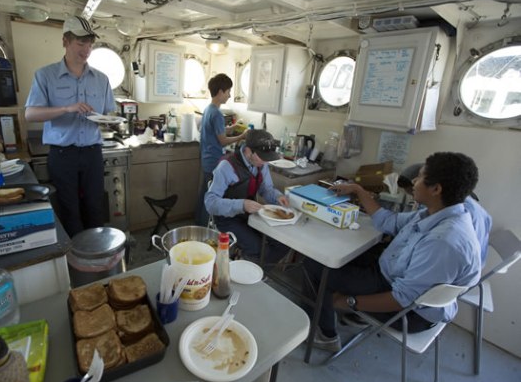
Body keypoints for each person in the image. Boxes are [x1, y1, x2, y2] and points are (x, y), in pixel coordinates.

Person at [304, 152, 482, 352]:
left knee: (315, 265)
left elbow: (401, 299)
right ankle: (327, 303)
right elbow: (389, 221)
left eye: (420, 177)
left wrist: (348, 302)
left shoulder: (444, 242)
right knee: (334, 253)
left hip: (410, 313)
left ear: (436, 189)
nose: (414, 181)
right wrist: (358, 190)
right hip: (391, 272)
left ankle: (326, 334)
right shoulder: (435, 213)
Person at [25, 16, 116, 238]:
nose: (86, 50)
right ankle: (76, 261)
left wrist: (105, 119)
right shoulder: (45, 75)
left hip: (93, 152)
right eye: (80, 43)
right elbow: (30, 114)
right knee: (69, 209)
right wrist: (66, 108)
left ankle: (97, 258)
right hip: (62, 154)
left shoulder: (101, 79)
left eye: (90, 44)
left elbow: (109, 114)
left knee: (95, 207)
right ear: (65, 41)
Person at [205, 129, 290, 263]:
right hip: (227, 219)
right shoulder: (226, 167)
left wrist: (277, 197)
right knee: (259, 249)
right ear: (249, 151)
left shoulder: (261, 164)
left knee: (284, 243)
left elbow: (266, 189)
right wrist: (241, 205)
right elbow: (210, 203)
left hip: (250, 215)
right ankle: (249, 268)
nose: (265, 162)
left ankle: (257, 271)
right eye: (262, 157)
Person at [398, 162, 492, 268]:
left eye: (414, 193)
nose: (415, 199)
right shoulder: (461, 199)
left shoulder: (452, 210)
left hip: (453, 268)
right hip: (468, 262)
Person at [195, 73, 247, 226]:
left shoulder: (208, 109)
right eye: (228, 91)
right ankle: (205, 227)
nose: (229, 95)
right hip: (214, 161)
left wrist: (232, 128)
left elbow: (217, 132)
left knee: (205, 193)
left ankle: (199, 222)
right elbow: (223, 141)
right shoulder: (217, 113)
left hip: (206, 159)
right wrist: (241, 136)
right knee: (212, 197)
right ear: (220, 92)